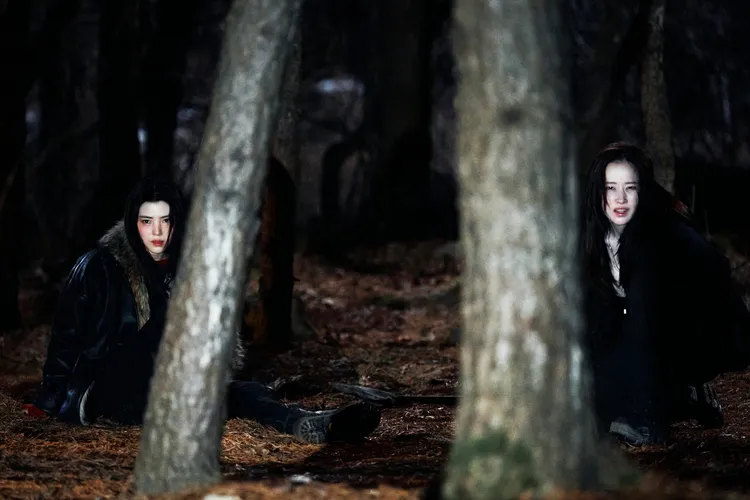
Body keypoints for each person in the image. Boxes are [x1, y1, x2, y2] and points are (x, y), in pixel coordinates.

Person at [32, 177, 381, 444]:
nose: (157, 231)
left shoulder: (181, 269)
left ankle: (307, 423)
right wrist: (50, 402)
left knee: (243, 392)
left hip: (158, 388)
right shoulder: (99, 266)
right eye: (146, 221)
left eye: (165, 221)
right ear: (131, 223)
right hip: (104, 387)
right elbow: (66, 338)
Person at [581, 142, 750, 445]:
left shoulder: (666, 232)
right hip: (624, 333)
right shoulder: (588, 235)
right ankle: (682, 395)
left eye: (630, 188)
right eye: (610, 188)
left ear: (643, 191)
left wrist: (693, 347)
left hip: (674, 330)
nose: (620, 199)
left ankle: (657, 409)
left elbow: (715, 271)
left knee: (641, 301)